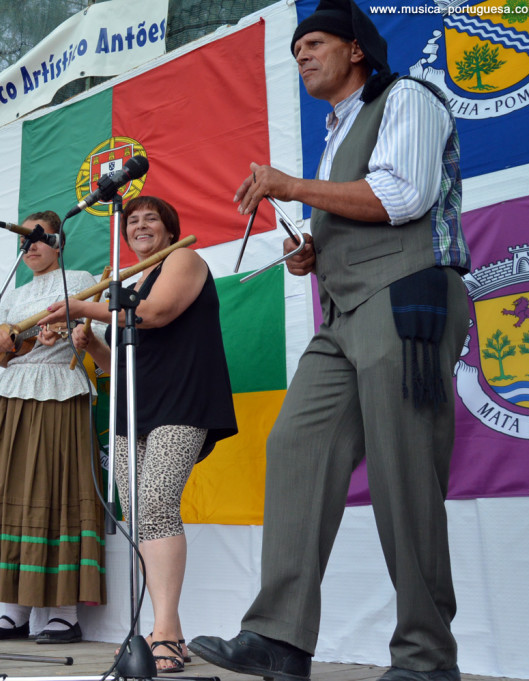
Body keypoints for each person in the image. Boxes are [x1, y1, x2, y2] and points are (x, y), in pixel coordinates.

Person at [187, 3, 470, 681]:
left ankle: (427, 657)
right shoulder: (338, 129)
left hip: (404, 300)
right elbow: (361, 208)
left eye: (313, 43)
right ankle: (279, 638)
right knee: (295, 447)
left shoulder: (408, 97)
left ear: (356, 49)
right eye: (296, 51)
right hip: (343, 313)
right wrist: (317, 249)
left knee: (405, 475)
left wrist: (290, 185)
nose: (303, 56)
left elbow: (403, 195)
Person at [40, 196, 237, 671]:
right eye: (132, 221)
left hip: (181, 401)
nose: (140, 225)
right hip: (136, 409)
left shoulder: (183, 259)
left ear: (170, 230)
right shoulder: (131, 285)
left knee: (156, 504)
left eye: (151, 218)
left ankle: (164, 631)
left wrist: (83, 307)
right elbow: (123, 366)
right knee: (142, 514)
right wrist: (91, 344)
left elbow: (159, 312)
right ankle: (166, 631)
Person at [0, 210, 107, 644]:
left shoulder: (80, 280)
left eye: (40, 237)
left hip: (60, 391)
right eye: (25, 239)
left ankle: (64, 612)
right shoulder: (14, 295)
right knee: (8, 494)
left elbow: (96, 333)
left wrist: (66, 334)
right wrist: (13, 341)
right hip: (11, 399)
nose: (31, 245)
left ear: (59, 242)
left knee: (56, 490)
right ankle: (14, 609)